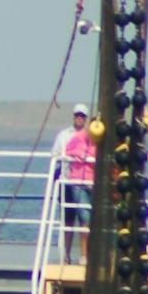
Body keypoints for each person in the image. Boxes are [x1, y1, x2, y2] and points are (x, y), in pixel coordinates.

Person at [52, 103, 96, 262]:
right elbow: (56, 155)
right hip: (67, 180)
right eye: (77, 115)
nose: (79, 118)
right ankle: (66, 255)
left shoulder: (92, 136)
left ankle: (85, 255)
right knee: (68, 218)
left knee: (85, 218)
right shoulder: (64, 135)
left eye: (82, 116)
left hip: (85, 181)